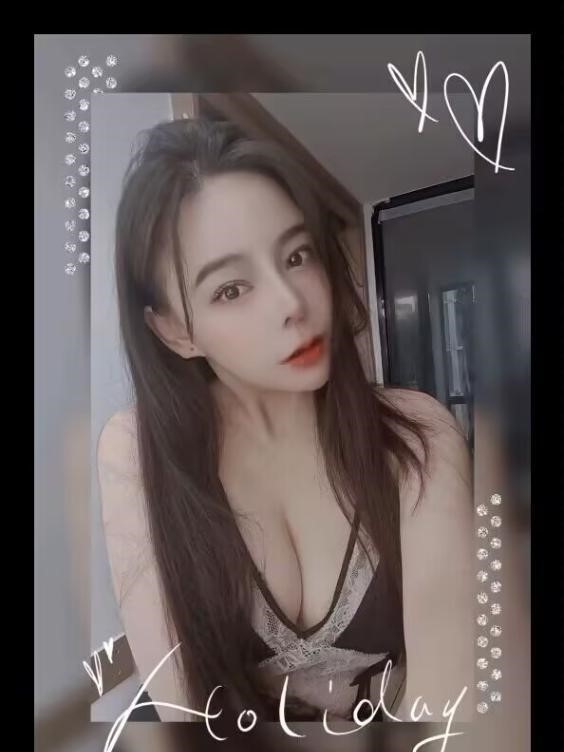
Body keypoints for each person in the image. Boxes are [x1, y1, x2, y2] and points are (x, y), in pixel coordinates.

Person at [97, 118, 474, 724]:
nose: (292, 304)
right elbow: (182, 707)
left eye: (296, 256)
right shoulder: (136, 449)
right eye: (231, 290)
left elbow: (446, 708)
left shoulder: (418, 435)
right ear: (175, 331)